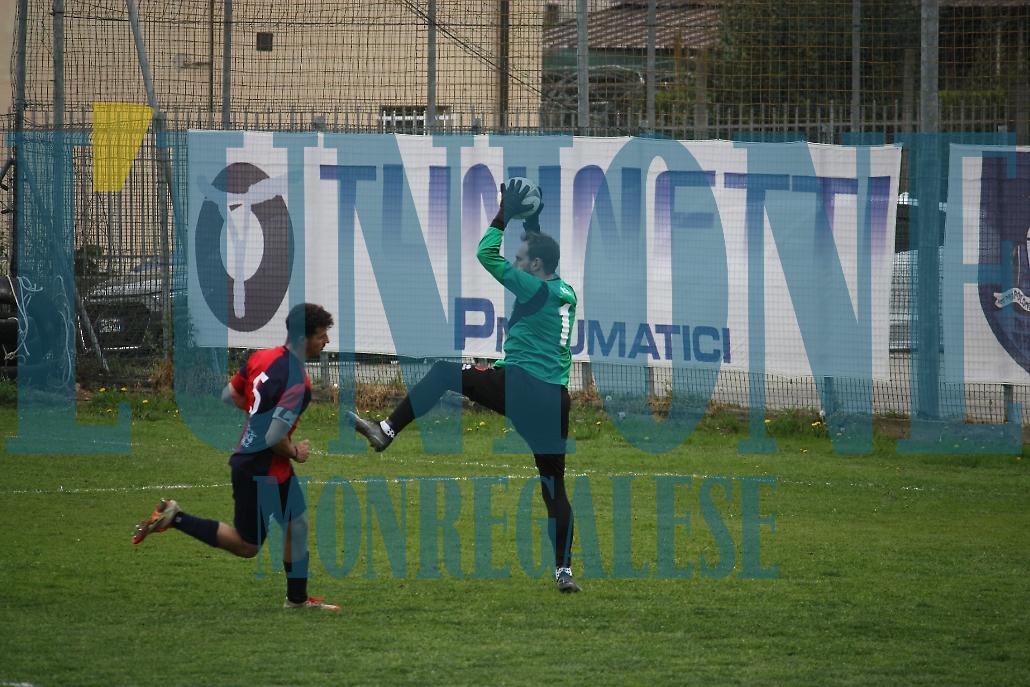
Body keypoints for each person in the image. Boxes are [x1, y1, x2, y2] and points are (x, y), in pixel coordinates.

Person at [347, 180, 581, 593]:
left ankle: (386, 430)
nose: (516, 262)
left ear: (535, 266)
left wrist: (503, 214)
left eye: (521, 259)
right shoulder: (564, 291)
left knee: (442, 373)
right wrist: (532, 219)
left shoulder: (531, 286)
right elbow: (541, 252)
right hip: (554, 400)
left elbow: (485, 254)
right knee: (554, 486)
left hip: (521, 386)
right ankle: (564, 571)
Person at [132, 302, 340, 612]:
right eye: (321, 335)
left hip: (257, 461)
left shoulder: (261, 358)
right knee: (247, 545)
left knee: (296, 524)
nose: (326, 341)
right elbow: (274, 438)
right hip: (262, 468)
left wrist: (258, 416)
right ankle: (176, 518)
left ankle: (297, 600)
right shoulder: (299, 382)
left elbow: (229, 394)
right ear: (303, 337)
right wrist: (296, 451)